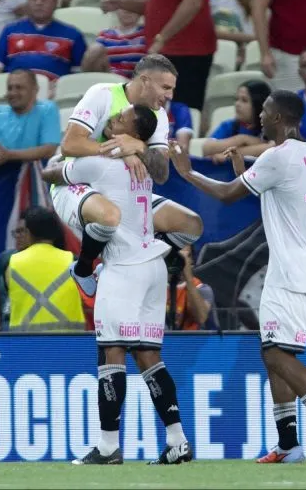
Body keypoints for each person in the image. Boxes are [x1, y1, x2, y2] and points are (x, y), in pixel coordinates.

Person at [171, 90, 306, 463]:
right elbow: (276, 193)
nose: (259, 116)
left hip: (289, 271)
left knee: (275, 354)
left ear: (278, 118)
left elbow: (227, 195)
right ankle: (289, 443)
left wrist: (186, 173)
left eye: (265, 111)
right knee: (277, 352)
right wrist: (244, 169)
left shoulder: (277, 156)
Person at [45, 106, 194, 465]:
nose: (113, 120)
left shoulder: (104, 162)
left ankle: (108, 446)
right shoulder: (142, 168)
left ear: (135, 132)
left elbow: (52, 173)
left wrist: (91, 150)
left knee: (111, 354)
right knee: (149, 356)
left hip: (123, 267)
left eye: (121, 120)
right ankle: (177, 442)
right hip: (153, 267)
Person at [56, 55, 204, 298]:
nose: (170, 96)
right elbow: (70, 145)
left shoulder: (160, 117)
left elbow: (161, 174)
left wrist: (139, 147)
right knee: (109, 216)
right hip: (77, 182)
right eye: (165, 88)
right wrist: (120, 150)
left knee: (191, 225)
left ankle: (139, 258)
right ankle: (83, 268)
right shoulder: (102, 94)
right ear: (145, 81)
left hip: (121, 190)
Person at [0, 0, 87, 84]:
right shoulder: (10, 31)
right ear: (27, 3)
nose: (39, 3)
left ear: (56, 3)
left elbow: (78, 76)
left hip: (53, 93)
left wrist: (59, 89)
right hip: (16, 91)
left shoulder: (73, 35)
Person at [5, 206, 84, 332]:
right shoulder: (73, 261)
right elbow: (87, 299)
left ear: (29, 233)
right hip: (69, 345)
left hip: (23, 345)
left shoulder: (12, 263)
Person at [0, 70, 60, 165]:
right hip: (3, 174)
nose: (13, 93)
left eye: (19, 88)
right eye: (10, 88)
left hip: (38, 176)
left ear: (35, 90)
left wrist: (9, 155)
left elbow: (48, 150)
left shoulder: (47, 109)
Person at [82, 0, 147, 78]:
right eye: (124, 7)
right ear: (115, 9)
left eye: (131, 7)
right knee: (95, 49)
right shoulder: (104, 35)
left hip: (136, 83)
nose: (127, 12)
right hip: (108, 82)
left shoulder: (146, 34)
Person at [202, 79, 271, 159]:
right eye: (237, 99)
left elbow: (270, 149)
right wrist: (241, 139)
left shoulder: (270, 128)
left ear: (259, 104)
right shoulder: (229, 126)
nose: (237, 104)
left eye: (244, 100)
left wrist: (227, 155)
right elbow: (207, 149)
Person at [165, 246, 218, 331]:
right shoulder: (154, 286)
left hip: (189, 342)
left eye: (187, 256)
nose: (179, 260)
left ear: (192, 262)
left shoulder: (202, 289)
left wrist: (188, 278)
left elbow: (201, 318)